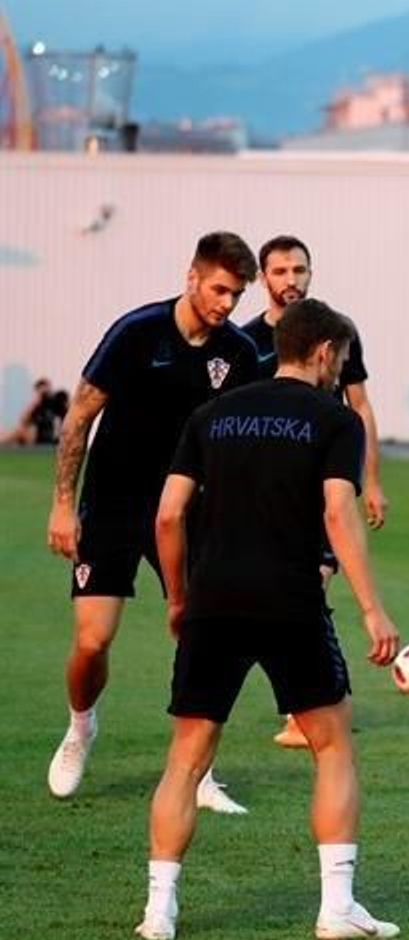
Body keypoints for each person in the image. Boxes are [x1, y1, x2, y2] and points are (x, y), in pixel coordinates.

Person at [137, 297, 401, 940]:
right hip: (290, 600)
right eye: (340, 358)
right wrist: (372, 609)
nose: (340, 370)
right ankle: (336, 908)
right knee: (332, 746)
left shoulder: (212, 415)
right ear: (323, 353)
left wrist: (178, 598)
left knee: (186, 759)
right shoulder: (336, 420)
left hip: (213, 601)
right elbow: (338, 513)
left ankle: (159, 911)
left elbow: (168, 515)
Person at [45, 231, 262, 814]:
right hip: (112, 505)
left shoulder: (238, 353)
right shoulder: (136, 332)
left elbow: (241, 441)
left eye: (237, 295)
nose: (226, 304)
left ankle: (199, 772)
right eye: (219, 289)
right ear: (192, 277)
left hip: (188, 513)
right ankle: (81, 727)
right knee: (92, 641)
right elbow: (80, 417)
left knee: (201, 641)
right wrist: (64, 503)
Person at [240, 235, 388, 749]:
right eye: (280, 271)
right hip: (270, 491)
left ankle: (299, 712)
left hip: (324, 481)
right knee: (285, 594)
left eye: (299, 270)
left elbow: (359, 405)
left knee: (314, 583)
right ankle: (303, 703)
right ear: (263, 278)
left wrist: (371, 480)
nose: (291, 280)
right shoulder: (245, 342)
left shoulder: (337, 332)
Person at [4, 377, 69, 446]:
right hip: (39, 440)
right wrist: (36, 401)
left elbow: (68, 415)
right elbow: (23, 421)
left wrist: (62, 402)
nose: (45, 394)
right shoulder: (37, 407)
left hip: (56, 439)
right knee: (19, 431)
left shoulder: (57, 402)